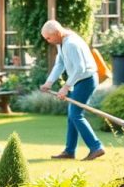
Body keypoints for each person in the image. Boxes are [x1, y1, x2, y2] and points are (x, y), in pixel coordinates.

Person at [39, 19, 105, 161]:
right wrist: (48, 83)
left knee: (75, 114)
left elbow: (80, 69)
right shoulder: (61, 43)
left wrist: (66, 87)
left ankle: (96, 147)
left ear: (57, 33)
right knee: (72, 116)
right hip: (80, 80)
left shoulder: (71, 44)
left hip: (86, 80)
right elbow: (60, 64)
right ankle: (69, 151)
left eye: (48, 38)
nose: (48, 41)